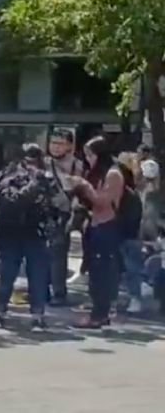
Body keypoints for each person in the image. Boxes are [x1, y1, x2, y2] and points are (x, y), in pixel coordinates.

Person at [0, 144, 60, 331]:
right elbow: (13, 200)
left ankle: (38, 315)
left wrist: (56, 225)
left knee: (38, 277)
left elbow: (59, 203)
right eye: (29, 160)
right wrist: (34, 183)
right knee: (7, 275)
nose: (33, 164)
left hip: (36, 233)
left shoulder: (45, 177)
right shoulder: (9, 176)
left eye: (36, 159)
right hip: (10, 233)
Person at [68, 136, 125, 329]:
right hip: (92, 225)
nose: (88, 159)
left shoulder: (113, 174)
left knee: (103, 272)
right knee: (93, 271)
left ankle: (100, 313)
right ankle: (97, 312)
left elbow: (103, 202)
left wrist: (85, 186)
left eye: (91, 155)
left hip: (106, 226)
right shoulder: (96, 173)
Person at [44, 129, 84, 306]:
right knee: (40, 253)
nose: (55, 147)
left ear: (69, 145)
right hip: (44, 212)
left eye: (60, 143)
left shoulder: (79, 166)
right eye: (53, 143)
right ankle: (41, 289)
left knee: (58, 254)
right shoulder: (44, 163)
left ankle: (59, 293)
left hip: (65, 213)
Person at [116, 153, 144, 314]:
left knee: (132, 268)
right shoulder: (128, 191)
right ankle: (128, 297)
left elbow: (132, 216)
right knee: (125, 269)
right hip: (125, 234)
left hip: (128, 235)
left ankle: (135, 298)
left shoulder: (129, 193)